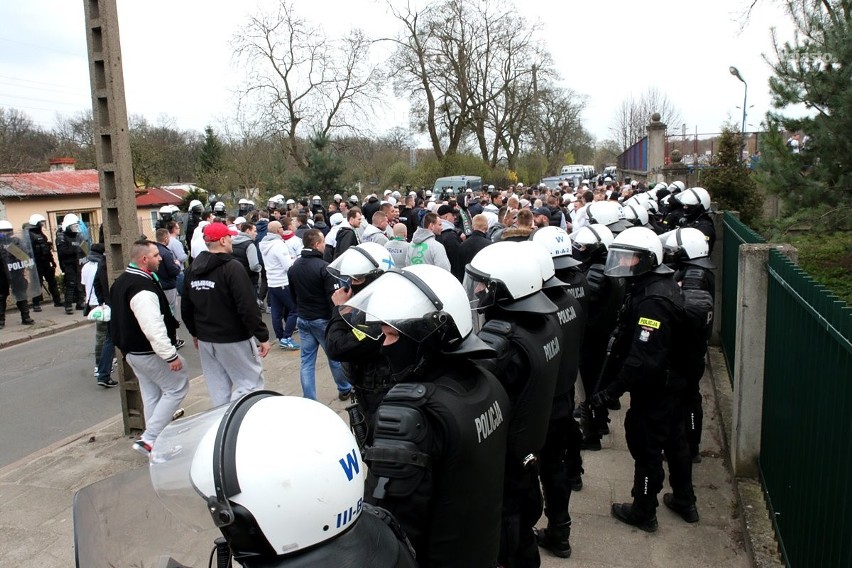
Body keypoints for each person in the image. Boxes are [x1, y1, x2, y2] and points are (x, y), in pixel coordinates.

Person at [341, 264, 510, 566]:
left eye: (391, 334)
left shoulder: (411, 416)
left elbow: (386, 530)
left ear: (428, 338)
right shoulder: (487, 382)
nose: (384, 346)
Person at [465, 241, 561, 568]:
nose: (477, 289)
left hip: (504, 462)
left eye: (484, 284)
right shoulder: (544, 322)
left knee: (508, 542)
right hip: (528, 450)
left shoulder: (502, 341)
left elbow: (471, 394)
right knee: (523, 534)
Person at [589, 226, 688, 532]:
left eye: (630, 259)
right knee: (673, 439)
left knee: (646, 446)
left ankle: (644, 510)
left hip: (657, 387)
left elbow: (641, 359)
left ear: (646, 260)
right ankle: (685, 499)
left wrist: (610, 392)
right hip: (670, 383)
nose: (623, 263)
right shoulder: (654, 286)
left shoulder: (652, 301)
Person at [524, 235, 586, 558]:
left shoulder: (544, 310)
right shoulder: (570, 300)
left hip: (544, 405)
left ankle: (548, 530)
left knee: (541, 468)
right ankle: (560, 528)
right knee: (556, 466)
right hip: (563, 397)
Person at [110, 240, 189, 454]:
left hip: (132, 352)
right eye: (156, 255)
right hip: (147, 351)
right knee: (176, 387)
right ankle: (150, 438)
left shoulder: (123, 281)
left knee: (152, 394)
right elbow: (152, 326)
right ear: (144, 259)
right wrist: (170, 356)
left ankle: (158, 444)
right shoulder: (141, 288)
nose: (161, 258)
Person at [182, 223, 271, 407]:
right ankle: (241, 423)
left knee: (218, 390)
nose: (232, 240)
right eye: (229, 237)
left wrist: (195, 333)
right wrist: (262, 335)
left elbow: (186, 307)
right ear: (222, 240)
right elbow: (247, 306)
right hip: (233, 338)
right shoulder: (232, 268)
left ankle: (221, 423)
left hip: (207, 339)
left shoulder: (192, 269)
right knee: (250, 385)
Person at [325, 242, 397, 441]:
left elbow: (337, 347)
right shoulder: (373, 301)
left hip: (381, 395)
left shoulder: (381, 311)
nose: (350, 284)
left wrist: (340, 311)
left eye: (358, 278)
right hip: (368, 391)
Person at [287, 229, 353, 401]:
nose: (325, 245)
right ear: (317, 244)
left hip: (304, 318)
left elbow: (292, 294)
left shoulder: (294, 267)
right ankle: (344, 388)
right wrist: (337, 319)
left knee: (307, 361)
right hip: (322, 320)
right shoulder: (324, 268)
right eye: (323, 242)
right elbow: (331, 298)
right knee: (334, 355)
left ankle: (309, 398)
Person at [258, 220, 300, 351]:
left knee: (276, 313)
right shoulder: (279, 245)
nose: (283, 229)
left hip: (272, 282)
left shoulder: (263, 244)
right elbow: (287, 266)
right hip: (282, 282)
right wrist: (294, 260)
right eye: (282, 228)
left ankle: (281, 337)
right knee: (294, 310)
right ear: (277, 231)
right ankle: (286, 337)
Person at [81, 243, 118, 386]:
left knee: (108, 338)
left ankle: (102, 372)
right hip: (117, 305)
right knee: (110, 337)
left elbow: (96, 284)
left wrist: (103, 302)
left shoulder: (101, 264)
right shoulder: (112, 264)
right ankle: (102, 371)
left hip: (107, 304)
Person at [0, 220, 37, 328]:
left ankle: (26, 317)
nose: (5, 234)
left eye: (7, 231)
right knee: (1, 297)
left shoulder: (16, 241)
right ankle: (1, 320)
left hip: (16, 272)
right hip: (1, 275)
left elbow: (24, 255)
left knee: (21, 294)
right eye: (2, 232)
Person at [26, 214, 62, 310]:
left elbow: (47, 250)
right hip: (36, 263)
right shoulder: (29, 235)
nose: (42, 224)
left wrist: (52, 261)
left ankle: (57, 300)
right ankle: (36, 304)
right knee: (38, 283)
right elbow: (28, 252)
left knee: (52, 282)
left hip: (45, 262)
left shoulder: (41, 234)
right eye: (41, 222)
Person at [56, 213, 87, 314]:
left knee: (80, 282)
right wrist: (76, 250)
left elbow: (85, 249)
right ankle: (68, 305)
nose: (76, 228)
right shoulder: (62, 237)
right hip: (68, 264)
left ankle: (80, 302)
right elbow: (63, 252)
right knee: (71, 283)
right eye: (74, 226)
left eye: (77, 226)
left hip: (79, 263)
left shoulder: (79, 236)